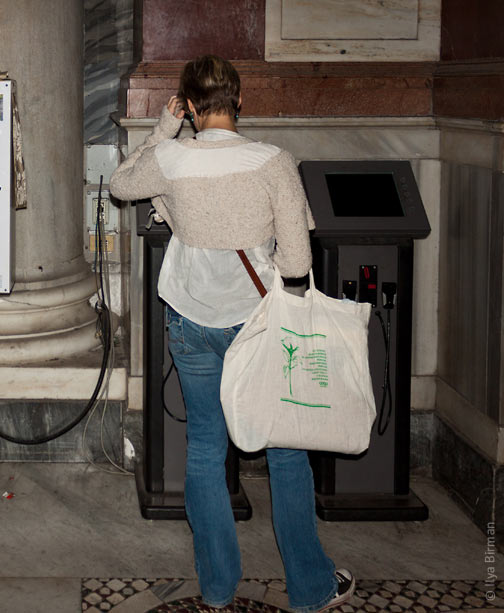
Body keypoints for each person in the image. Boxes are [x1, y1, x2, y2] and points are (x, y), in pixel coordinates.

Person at [110, 55, 354, 612]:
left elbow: (123, 186)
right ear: (237, 101)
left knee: (203, 447)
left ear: (191, 106)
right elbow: (297, 257)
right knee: (286, 451)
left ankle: (218, 588)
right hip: (261, 324)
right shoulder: (272, 161)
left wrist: (163, 130)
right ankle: (311, 588)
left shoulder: (172, 157)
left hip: (191, 319)